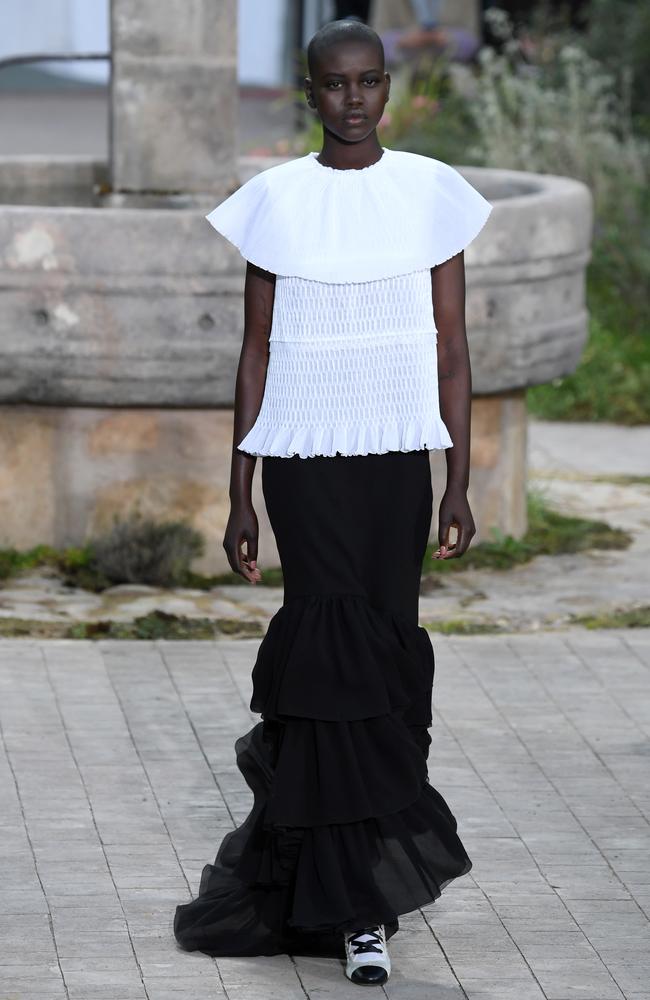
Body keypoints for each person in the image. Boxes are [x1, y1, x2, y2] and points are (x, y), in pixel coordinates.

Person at [173, 18, 492, 988]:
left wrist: (459, 480)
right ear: (307, 93)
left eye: (367, 84)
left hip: (396, 463)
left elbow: (449, 351)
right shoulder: (275, 202)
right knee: (327, 663)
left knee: (387, 656)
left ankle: (358, 880)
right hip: (304, 465)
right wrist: (239, 493)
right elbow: (254, 351)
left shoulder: (430, 195)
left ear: (386, 89)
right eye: (332, 85)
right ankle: (357, 912)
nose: (351, 100)